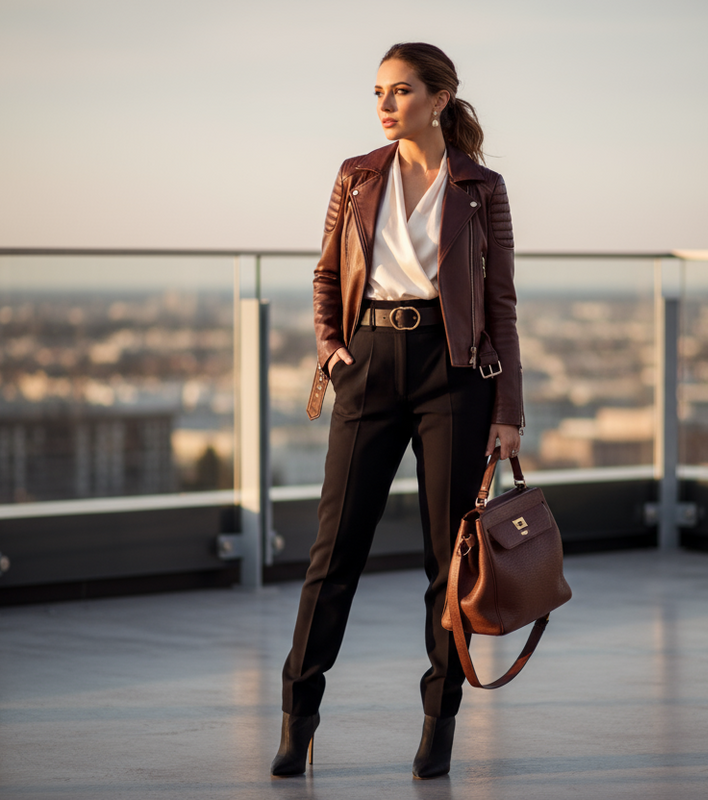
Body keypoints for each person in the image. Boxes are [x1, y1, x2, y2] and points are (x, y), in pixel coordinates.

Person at [271, 41, 524, 780]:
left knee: (447, 564)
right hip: (370, 365)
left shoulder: (482, 187)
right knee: (333, 555)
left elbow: (501, 303)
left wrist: (507, 407)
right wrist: (328, 346)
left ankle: (440, 720)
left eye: (401, 92)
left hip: (455, 377)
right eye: (378, 93)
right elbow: (327, 272)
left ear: (439, 99)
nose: (385, 106)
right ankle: (299, 714)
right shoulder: (356, 176)